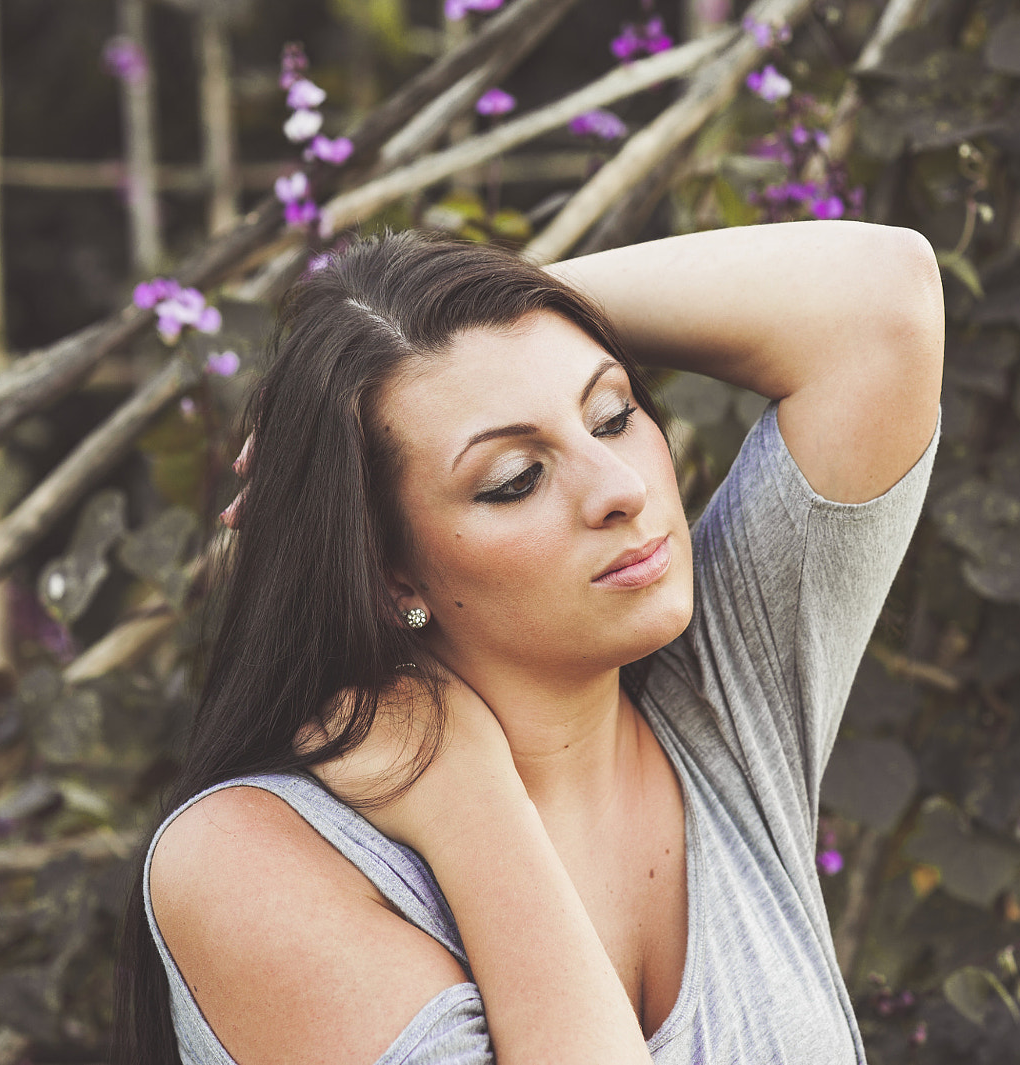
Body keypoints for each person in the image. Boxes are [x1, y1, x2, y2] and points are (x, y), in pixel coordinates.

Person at [111, 221, 945, 1064]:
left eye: (612, 416)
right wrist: (466, 801)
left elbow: (883, 300)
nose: (621, 490)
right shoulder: (249, 863)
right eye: (516, 479)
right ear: (392, 570)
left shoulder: (724, 706)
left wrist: (460, 311)